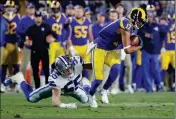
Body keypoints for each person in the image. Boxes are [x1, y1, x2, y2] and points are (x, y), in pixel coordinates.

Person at [87, 7, 147, 108]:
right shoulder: (126, 23)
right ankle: (90, 95)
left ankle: (104, 90)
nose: (140, 24)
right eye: (140, 21)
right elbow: (127, 50)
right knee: (98, 79)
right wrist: (139, 47)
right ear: (134, 17)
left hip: (111, 49)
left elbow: (121, 44)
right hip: (99, 48)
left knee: (116, 69)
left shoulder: (129, 25)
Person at [4, 55, 91, 108]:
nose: (70, 71)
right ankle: (19, 78)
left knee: (85, 99)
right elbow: (55, 102)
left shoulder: (76, 62)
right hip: (59, 87)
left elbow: (90, 66)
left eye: (70, 68)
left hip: (74, 88)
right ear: (60, 70)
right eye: (66, 70)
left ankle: (86, 83)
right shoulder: (55, 78)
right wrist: (65, 105)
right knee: (31, 98)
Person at [24, 10, 57, 89]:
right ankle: (37, 87)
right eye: (37, 17)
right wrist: (27, 42)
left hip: (44, 50)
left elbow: (55, 35)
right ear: (34, 17)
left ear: (42, 17)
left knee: (46, 70)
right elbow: (25, 39)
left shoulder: (46, 26)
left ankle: (47, 86)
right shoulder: (31, 28)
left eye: (39, 17)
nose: (38, 18)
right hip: (34, 51)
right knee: (35, 70)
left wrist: (52, 39)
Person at [17, 2, 35, 81]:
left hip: (36, 46)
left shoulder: (38, 18)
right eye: (29, 8)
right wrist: (24, 41)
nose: (31, 10)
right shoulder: (23, 20)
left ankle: (34, 85)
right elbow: (18, 32)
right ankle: (21, 83)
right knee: (24, 66)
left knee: (34, 66)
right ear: (27, 9)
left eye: (32, 8)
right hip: (27, 46)